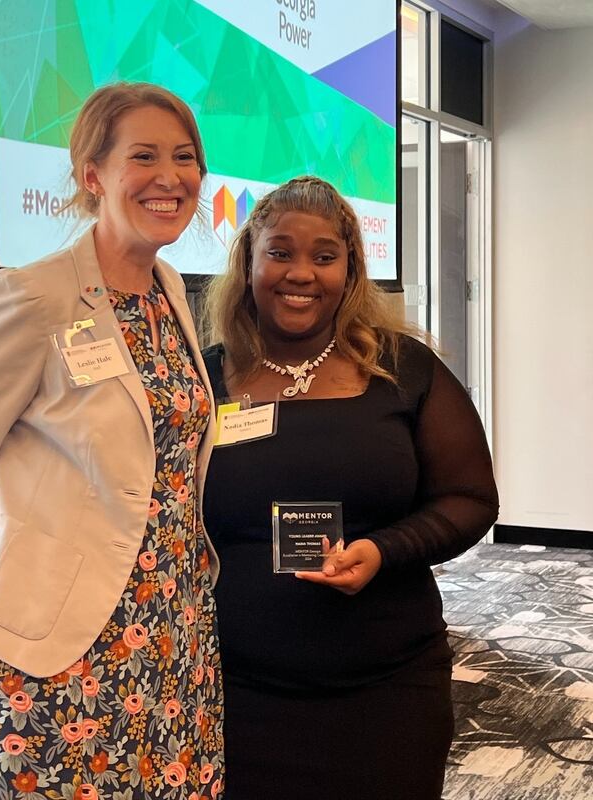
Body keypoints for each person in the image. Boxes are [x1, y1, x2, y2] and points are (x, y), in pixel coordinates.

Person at [202, 176, 499, 800]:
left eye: (324, 256)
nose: (301, 273)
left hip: (387, 686)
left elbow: (471, 498)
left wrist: (383, 551)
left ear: (351, 269)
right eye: (279, 252)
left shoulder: (404, 370)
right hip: (233, 688)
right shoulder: (204, 379)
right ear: (249, 262)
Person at [0, 83, 224, 799]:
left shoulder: (169, 288)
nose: (171, 177)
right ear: (92, 175)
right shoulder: (36, 297)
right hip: (71, 643)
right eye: (144, 156)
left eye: (184, 158)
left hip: (175, 628)